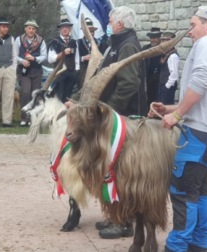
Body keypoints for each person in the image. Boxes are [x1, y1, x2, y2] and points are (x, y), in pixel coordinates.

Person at [148, 6, 207, 252]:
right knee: (200, 188)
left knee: (182, 190)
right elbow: (206, 93)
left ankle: (177, 246)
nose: (190, 31)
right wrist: (170, 108)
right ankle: (199, 244)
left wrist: (177, 115)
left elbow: (200, 82)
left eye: (193, 24)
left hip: (200, 132)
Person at [92, 6, 147, 239]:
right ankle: (116, 215)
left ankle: (124, 221)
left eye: (111, 20)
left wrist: (109, 110)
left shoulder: (127, 46)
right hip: (115, 119)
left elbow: (128, 84)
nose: (109, 22)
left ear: (120, 24)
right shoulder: (117, 45)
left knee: (122, 171)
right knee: (112, 169)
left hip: (123, 121)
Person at [15, 19, 47, 126]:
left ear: (35, 30)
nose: (31, 30)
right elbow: (14, 55)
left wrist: (34, 59)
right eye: (29, 28)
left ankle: (34, 118)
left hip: (36, 70)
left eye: (33, 28)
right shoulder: (19, 39)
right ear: (25, 29)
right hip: (24, 71)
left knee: (36, 95)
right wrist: (22, 61)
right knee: (25, 93)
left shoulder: (41, 40)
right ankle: (24, 118)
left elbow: (44, 56)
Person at [48, 18, 79, 103]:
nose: (65, 29)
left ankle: (66, 115)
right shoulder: (55, 42)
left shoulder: (74, 42)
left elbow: (77, 58)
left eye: (67, 27)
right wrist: (63, 53)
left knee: (68, 97)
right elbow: (50, 59)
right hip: (59, 74)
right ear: (60, 29)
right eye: (63, 27)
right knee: (58, 96)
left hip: (71, 74)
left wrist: (76, 71)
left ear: (70, 29)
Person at [76, 18, 106, 90]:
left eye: (92, 31)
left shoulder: (99, 43)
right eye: (89, 31)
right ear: (84, 32)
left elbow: (102, 56)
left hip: (95, 70)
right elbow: (75, 58)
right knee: (82, 89)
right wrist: (83, 58)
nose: (91, 33)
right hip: (83, 71)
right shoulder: (78, 42)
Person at [142, 27, 162, 107]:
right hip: (147, 78)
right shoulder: (145, 48)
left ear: (159, 38)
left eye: (155, 38)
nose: (153, 40)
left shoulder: (163, 48)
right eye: (151, 38)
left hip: (158, 79)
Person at [158, 31, 180, 105]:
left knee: (166, 108)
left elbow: (174, 75)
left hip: (168, 87)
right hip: (164, 85)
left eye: (165, 41)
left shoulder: (173, 56)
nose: (162, 43)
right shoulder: (166, 54)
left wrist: (166, 87)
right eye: (162, 40)